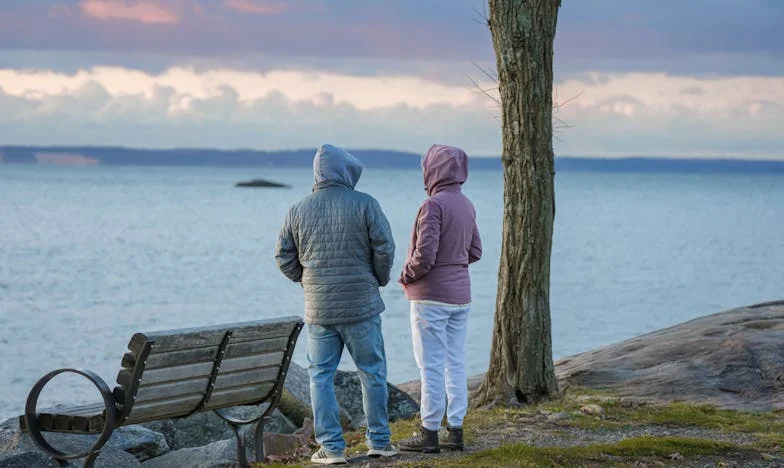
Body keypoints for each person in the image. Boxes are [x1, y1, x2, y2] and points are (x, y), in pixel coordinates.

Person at [275, 144, 398, 465]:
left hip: (319, 309)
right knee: (372, 372)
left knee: (320, 376)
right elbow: (384, 248)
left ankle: (331, 448)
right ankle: (380, 441)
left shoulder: (297, 209)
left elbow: (283, 256)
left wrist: (307, 280)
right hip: (362, 306)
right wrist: (378, 278)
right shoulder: (366, 204)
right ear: (346, 172)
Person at [397, 144, 482, 453]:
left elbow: (425, 256)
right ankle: (455, 429)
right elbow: (475, 251)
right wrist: (453, 265)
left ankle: (429, 431)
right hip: (461, 296)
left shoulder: (432, 205)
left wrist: (406, 275)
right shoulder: (467, 205)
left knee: (430, 365)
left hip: (430, 297)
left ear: (431, 170)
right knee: (455, 362)